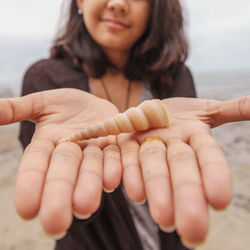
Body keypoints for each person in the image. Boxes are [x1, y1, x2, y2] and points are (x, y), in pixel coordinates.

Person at [0, 0, 249, 249]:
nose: (118, 3)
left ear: (156, 7)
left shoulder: (175, 76)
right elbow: (59, 201)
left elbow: (183, 190)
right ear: (80, 2)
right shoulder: (45, 78)